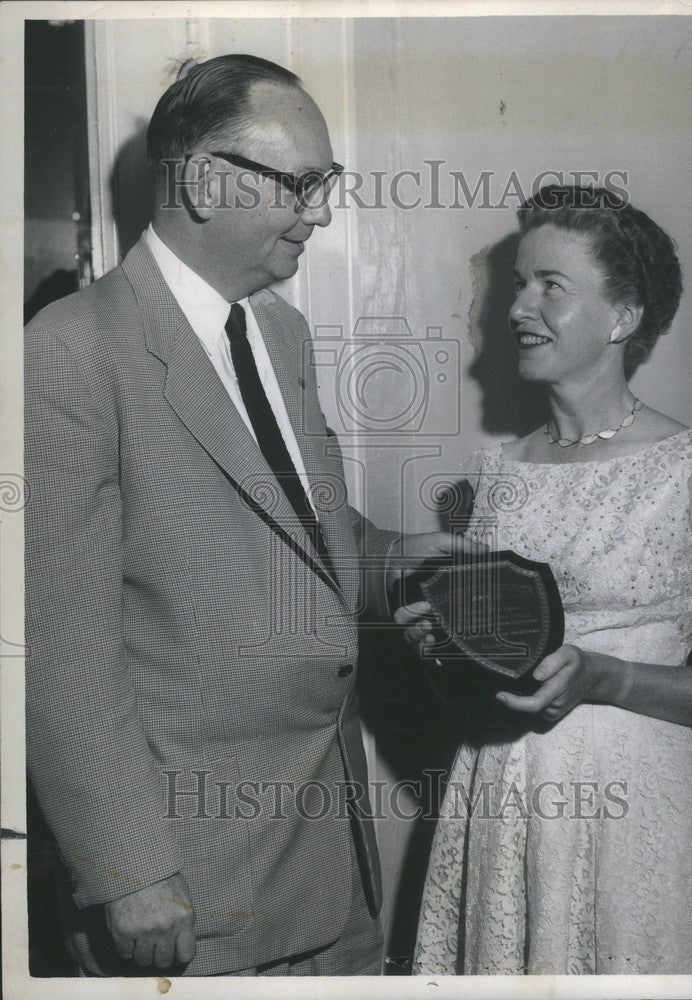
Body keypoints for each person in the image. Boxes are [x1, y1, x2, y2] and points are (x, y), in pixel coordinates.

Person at [24, 54, 467, 977]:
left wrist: (408, 557)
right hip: (187, 886)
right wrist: (125, 871)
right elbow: (57, 650)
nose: (322, 211)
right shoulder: (67, 354)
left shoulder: (280, 333)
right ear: (201, 181)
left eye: (326, 183)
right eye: (302, 184)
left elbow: (309, 538)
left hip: (327, 865)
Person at [399, 186, 692, 975]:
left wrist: (611, 679)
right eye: (518, 283)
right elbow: (493, 663)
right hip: (500, 797)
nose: (519, 305)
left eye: (549, 285)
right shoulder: (500, 471)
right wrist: (444, 650)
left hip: (635, 812)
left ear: (622, 318)